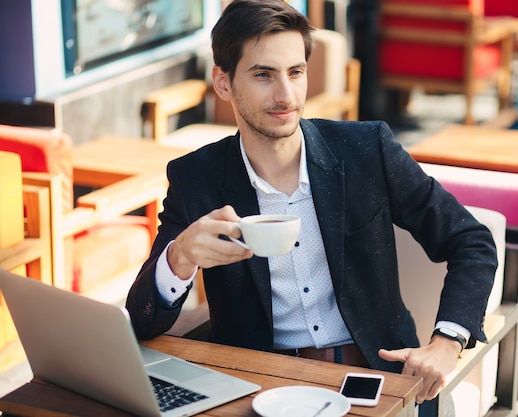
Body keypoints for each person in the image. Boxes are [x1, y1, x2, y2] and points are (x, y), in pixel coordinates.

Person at [126, 0, 497, 412]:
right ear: (224, 83)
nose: (285, 95)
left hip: (376, 378)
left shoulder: (366, 150)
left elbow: (471, 240)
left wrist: (447, 341)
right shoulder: (197, 178)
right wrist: (179, 257)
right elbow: (142, 319)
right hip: (257, 383)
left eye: (296, 73)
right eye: (263, 75)